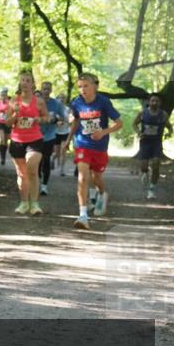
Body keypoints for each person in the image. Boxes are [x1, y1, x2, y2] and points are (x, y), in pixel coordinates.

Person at [67, 73, 122, 230]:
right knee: (83, 177)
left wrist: (103, 132)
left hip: (100, 146)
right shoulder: (76, 103)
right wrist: (68, 139)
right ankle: (83, 215)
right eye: (80, 86)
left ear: (94, 86)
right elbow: (76, 120)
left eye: (86, 86)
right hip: (82, 144)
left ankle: (103, 193)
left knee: (96, 177)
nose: (83, 89)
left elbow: (119, 123)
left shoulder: (103, 102)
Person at [5, 72, 49, 215]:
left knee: (31, 168)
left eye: (27, 81)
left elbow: (46, 117)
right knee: (22, 174)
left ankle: (35, 204)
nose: (24, 83)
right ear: (20, 83)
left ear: (32, 84)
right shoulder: (13, 101)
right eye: (22, 80)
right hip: (17, 140)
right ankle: (24, 203)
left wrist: (38, 120)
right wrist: (15, 115)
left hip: (35, 139)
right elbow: (7, 122)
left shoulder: (39, 101)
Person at [133, 93, 171, 200]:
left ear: (160, 103)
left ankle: (152, 189)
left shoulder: (163, 114)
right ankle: (144, 172)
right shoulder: (143, 113)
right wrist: (139, 132)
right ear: (149, 102)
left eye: (157, 101)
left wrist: (169, 133)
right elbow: (134, 124)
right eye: (152, 100)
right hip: (145, 143)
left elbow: (169, 126)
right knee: (143, 166)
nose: (154, 102)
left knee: (156, 164)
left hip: (156, 143)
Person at [37, 81, 67, 196]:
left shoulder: (56, 104)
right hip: (36, 135)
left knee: (46, 160)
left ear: (51, 90)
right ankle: (37, 182)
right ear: (41, 89)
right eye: (44, 89)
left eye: (48, 89)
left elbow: (63, 119)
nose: (46, 91)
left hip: (50, 136)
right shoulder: (36, 102)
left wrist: (55, 120)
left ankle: (44, 186)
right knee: (37, 161)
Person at [0, 88, 11, 165]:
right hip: (0, 122)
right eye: (1, 95)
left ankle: (4, 156)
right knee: (2, 139)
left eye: (4, 95)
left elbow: (13, 110)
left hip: (7, 123)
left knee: (6, 141)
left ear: (7, 95)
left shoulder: (10, 102)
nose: (3, 97)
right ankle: (2, 158)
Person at [54, 93, 70, 176]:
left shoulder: (68, 109)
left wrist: (67, 121)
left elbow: (71, 120)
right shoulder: (55, 109)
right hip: (56, 132)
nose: (61, 99)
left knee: (63, 151)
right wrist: (57, 122)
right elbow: (52, 120)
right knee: (57, 153)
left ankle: (62, 169)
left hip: (65, 132)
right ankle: (53, 159)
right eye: (59, 97)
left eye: (63, 97)